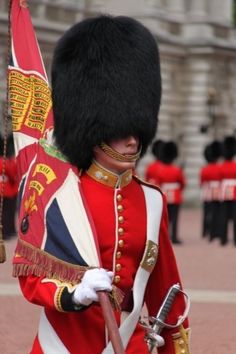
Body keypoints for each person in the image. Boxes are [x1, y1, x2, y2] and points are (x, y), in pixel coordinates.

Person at [9, 3, 190, 353]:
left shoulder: (152, 200)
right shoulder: (58, 193)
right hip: (64, 343)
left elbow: (167, 289)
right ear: (95, 130)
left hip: (130, 342)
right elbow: (31, 276)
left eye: (137, 129)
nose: (133, 139)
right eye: (122, 130)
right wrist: (73, 294)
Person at [146, 141, 186, 244]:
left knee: (164, 218)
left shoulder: (158, 169)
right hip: (175, 195)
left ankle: (165, 236)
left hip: (163, 195)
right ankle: (175, 236)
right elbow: (182, 183)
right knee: (175, 218)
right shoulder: (177, 170)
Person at [199, 141, 222, 241]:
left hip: (207, 192)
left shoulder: (204, 169)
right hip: (217, 191)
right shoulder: (219, 168)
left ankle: (205, 231)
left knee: (206, 213)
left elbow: (202, 181)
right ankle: (215, 231)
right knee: (217, 213)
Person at [0, 134, 18, 239]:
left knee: (7, 213)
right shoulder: (4, 161)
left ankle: (9, 231)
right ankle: (7, 232)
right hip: (7, 189)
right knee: (7, 213)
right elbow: (12, 172)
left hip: (7, 188)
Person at [219, 136, 236, 246]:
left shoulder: (221, 166)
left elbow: (219, 178)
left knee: (223, 217)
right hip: (235, 192)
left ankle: (223, 239)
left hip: (224, 192)